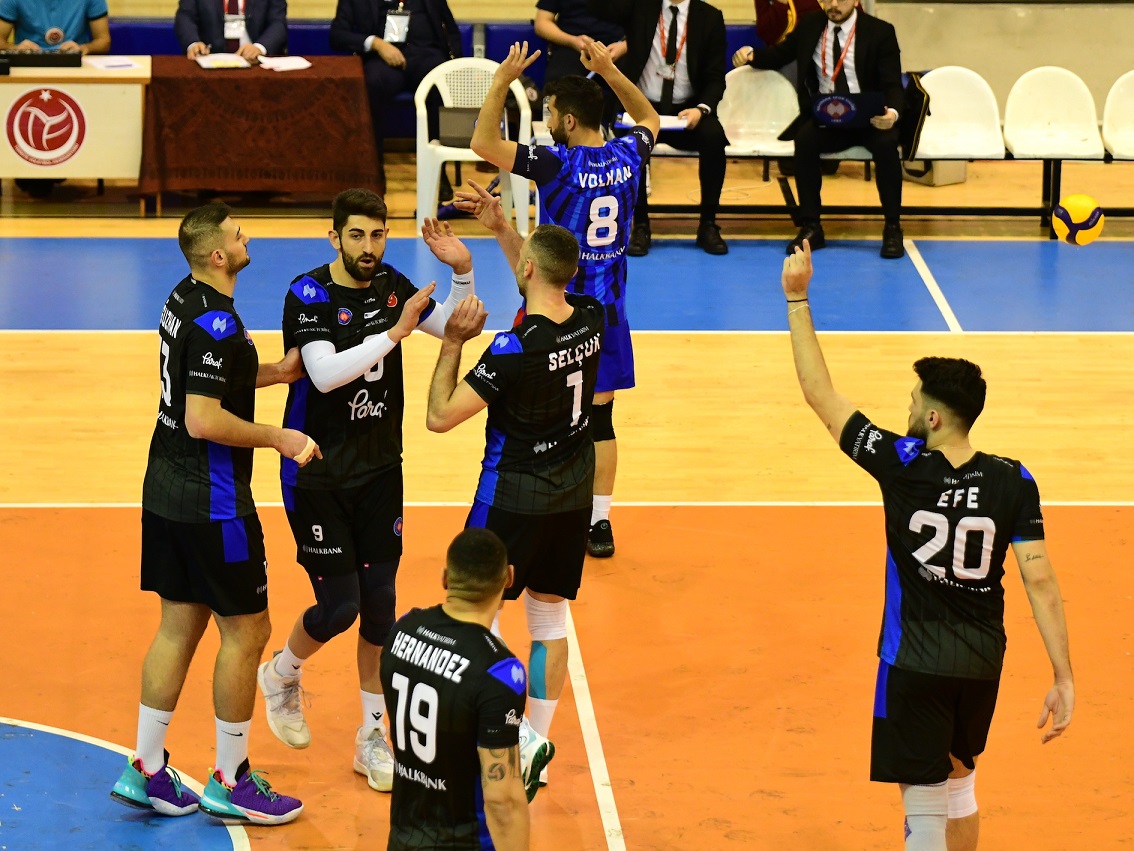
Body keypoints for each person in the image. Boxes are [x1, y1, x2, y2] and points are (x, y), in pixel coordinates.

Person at [781, 240, 1074, 851]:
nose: (908, 408)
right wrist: (1062, 675)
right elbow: (1040, 580)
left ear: (935, 419)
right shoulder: (1013, 479)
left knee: (921, 798)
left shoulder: (902, 463)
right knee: (959, 780)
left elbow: (819, 395)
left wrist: (797, 299)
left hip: (912, 660)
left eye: (914, 402)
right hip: (981, 662)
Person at [257, 188, 481, 795]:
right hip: (318, 472)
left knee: (381, 604)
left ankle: (372, 737)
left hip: (381, 469)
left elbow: (456, 328)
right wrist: (396, 332)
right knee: (340, 608)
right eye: (356, 235)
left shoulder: (391, 284)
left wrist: (462, 272)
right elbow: (324, 374)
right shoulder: (309, 294)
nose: (368, 247)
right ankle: (282, 673)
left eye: (378, 235)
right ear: (335, 237)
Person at [109, 203, 313, 825]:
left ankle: (145, 767)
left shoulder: (184, 298)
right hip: (214, 503)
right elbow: (203, 417)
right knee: (248, 632)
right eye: (238, 234)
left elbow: (210, 379)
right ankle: (231, 778)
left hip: (165, 490)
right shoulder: (219, 322)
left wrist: (276, 372)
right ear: (219, 255)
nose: (248, 238)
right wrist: (278, 437)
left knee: (179, 625)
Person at [426, 221, 603, 798]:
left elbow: (440, 416)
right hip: (572, 497)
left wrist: (453, 342)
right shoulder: (591, 317)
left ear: (527, 268)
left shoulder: (513, 349)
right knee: (548, 622)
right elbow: (541, 280)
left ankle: (508, 738)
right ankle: (537, 746)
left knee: (477, 616)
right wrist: (504, 228)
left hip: (511, 498)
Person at [468, 40, 659, 559]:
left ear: (569, 120)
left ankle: (525, 505)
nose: (548, 121)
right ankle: (599, 523)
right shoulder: (629, 154)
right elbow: (648, 117)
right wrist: (610, 71)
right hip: (608, 314)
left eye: (551, 113)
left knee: (528, 414)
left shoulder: (555, 164)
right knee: (600, 422)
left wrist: (501, 80)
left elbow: (483, 141)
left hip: (552, 309)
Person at [380, 527, 535, 850]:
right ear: (509, 578)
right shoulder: (499, 672)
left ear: (445, 578)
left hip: (403, 838)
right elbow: (502, 800)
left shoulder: (403, 630)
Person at [735, 0, 907, 259]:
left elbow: (892, 82)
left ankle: (892, 226)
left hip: (869, 118)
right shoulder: (810, 25)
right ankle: (812, 226)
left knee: (886, 145)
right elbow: (780, 55)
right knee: (805, 140)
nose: (833, 5)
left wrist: (891, 113)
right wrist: (751, 54)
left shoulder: (880, 31)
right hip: (829, 117)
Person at [587, 0, 730, 256]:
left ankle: (708, 224)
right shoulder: (640, 7)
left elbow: (715, 76)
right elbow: (600, 8)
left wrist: (701, 109)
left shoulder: (710, 17)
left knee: (714, 137)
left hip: (687, 110)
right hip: (641, 107)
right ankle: (640, 224)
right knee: (628, 142)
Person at [330, 0, 462, 196]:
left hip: (426, 55)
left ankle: (436, 171)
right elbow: (337, 35)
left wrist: (454, 63)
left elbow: (451, 30)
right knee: (369, 86)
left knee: (438, 85)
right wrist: (376, 43)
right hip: (382, 59)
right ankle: (373, 171)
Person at [0, 0, 110, 198]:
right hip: (28, 72)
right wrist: (15, 47)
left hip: (74, 72)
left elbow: (103, 40)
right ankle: (36, 172)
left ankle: (49, 171)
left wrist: (84, 47)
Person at [534, 0, 626, 85]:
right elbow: (542, 23)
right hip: (571, 48)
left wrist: (624, 46)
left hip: (618, 50)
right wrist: (572, 41)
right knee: (560, 83)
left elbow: (636, 23)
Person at [175, 0, 288, 62]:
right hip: (208, 59)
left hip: (255, 62)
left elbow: (278, 23)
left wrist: (259, 47)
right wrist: (193, 43)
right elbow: (185, 17)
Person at [0, 0, 110, 54]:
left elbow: (104, 41)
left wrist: (83, 48)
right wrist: (16, 49)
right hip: (27, 62)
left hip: (76, 63)